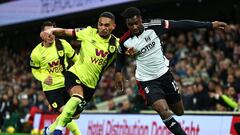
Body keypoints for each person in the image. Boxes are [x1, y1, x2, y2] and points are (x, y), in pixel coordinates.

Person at [115, 7, 228, 135]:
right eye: (131, 24)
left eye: (137, 23)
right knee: (162, 109)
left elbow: (181, 24)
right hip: (146, 80)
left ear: (141, 19)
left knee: (179, 112)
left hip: (165, 75)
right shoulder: (125, 40)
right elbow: (120, 56)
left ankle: (164, 103)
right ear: (126, 24)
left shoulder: (155, 25)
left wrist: (209, 25)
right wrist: (118, 72)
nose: (134, 27)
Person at [40, 12, 118, 135]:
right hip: (75, 74)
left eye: (107, 25)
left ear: (113, 26)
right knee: (77, 96)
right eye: (100, 24)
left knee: (73, 115)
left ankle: (48, 130)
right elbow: (65, 32)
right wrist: (52, 31)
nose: (103, 28)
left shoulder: (116, 44)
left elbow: (129, 54)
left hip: (91, 84)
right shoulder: (88, 32)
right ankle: (58, 131)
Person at [30, 21, 82, 135]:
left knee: (76, 115)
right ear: (42, 34)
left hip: (67, 84)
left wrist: (84, 68)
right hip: (51, 88)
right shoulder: (36, 53)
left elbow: (75, 58)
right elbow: (35, 70)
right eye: (47, 32)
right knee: (65, 111)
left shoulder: (62, 44)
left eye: (53, 32)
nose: (50, 35)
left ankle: (48, 130)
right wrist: (43, 78)